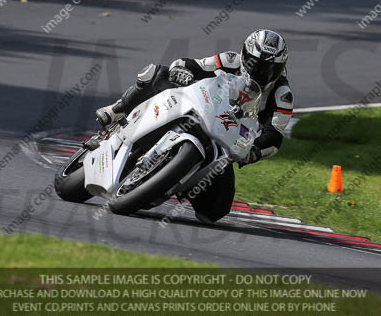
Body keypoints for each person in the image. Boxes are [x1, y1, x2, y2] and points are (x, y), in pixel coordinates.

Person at [95, 29, 293, 222]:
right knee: (158, 74)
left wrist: (255, 151)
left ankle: (177, 181)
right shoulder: (230, 60)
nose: (263, 73)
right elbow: (191, 64)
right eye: (257, 65)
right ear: (245, 55)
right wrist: (182, 71)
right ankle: (116, 110)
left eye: (271, 69)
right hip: (199, 107)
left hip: (224, 139)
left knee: (216, 210)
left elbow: (274, 135)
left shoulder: (282, 95)